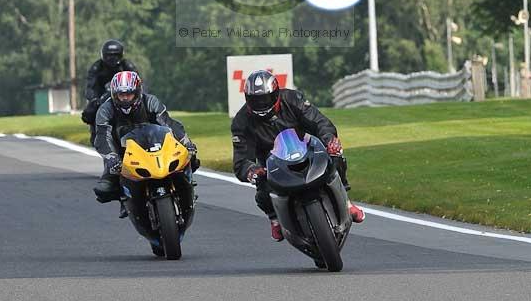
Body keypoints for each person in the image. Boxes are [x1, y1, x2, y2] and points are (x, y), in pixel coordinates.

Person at [231, 69, 365, 241]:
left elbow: (319, 122)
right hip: (272, 162)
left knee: (336, 155)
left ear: (276, 94)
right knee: (262, 189)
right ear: (248, 99)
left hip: (305, 149)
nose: (262, 104)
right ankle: (275, 220)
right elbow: (241, 159)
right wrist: (252, 170)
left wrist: (329, 140)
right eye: (256, 100)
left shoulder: (294, 99)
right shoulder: (241, 122)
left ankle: (346, 202)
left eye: (266, 98)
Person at [93, 70, 199, 209]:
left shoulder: (150, 102)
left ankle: (187, 186)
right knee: (104, 189)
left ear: (137, 92)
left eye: (129, 94)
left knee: (191, 157)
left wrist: (186, 143)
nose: (125, 99)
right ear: (114, 94)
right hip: (123, 153)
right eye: (121, 95)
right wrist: (111, 157)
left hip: (155, 145)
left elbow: (168, 123)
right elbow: (102, 137)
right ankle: (126, 200)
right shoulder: (105, 110)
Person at [81, 40, 138, 144]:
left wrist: (139, 96)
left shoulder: (127, 66)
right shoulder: (96, 67)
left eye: (115, 55)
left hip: (124, 93)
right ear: (103, 55)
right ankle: (96, 133)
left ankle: (146, 130)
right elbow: (90, 86)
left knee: (141, 107)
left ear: (121, 55)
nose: (112, 58)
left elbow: (138, 82)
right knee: (89, 112)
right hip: (102, 95)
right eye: (109, 55)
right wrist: (94, 99)